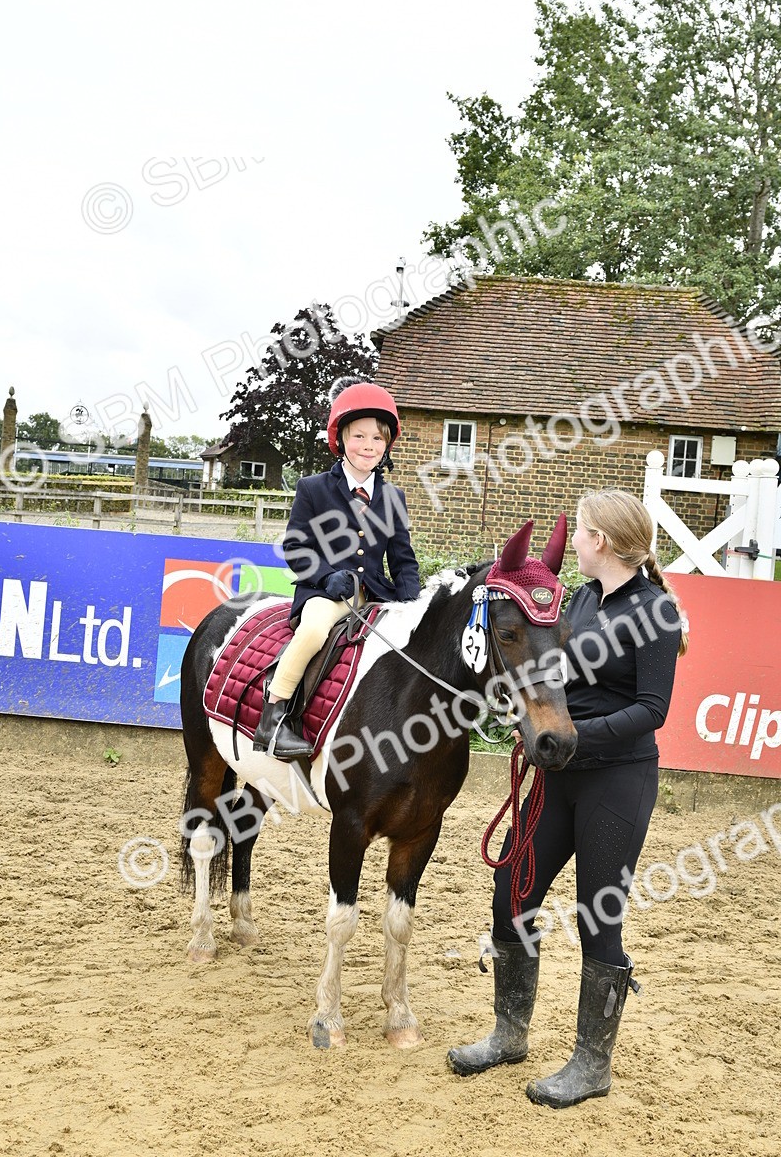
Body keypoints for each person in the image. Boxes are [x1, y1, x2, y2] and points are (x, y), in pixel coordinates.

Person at [447, 488, 688, 1108]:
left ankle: (591, 1064)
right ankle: (509, 1031)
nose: (573, 541)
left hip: (617, 780)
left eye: (579, 531)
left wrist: (580, 738)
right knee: (512, 896)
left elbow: (653, 710)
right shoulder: (575, 598)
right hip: (557, 773)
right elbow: (545, 672)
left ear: (600, 540)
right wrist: (532, 722)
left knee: (596, 918)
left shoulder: (655, 610)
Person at [253, 379, 421, 760]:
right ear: (341, 438)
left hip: (375, 594)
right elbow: (296, 547)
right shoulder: (313, 489)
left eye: (377, 439)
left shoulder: (393, 497)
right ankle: (274, 717)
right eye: (359, 436)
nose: (368, 446)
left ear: (387, 444)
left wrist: (414, 602)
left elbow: (402, 559)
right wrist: (326, 576)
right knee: (313, 631)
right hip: (326, 592)